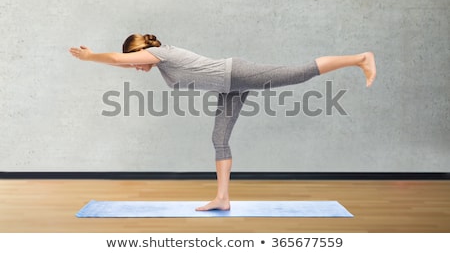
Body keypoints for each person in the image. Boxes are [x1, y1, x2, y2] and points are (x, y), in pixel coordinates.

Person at [69, 33, 376, 211]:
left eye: (134, 62)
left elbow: (117, 59)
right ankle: (222, 198)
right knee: (219, 140)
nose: (134, 68)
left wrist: (90, 56)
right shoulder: (160, 63)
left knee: (297, 73)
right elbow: (124, 62)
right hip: (228, 88)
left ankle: (360, 58)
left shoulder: (158, 53)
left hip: (235, 74)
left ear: (140, 52)